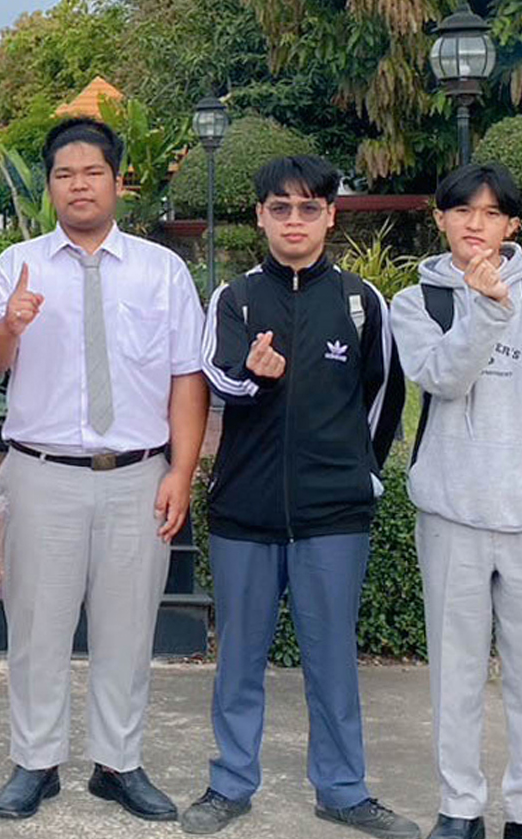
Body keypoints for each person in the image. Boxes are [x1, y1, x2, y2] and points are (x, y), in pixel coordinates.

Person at [0, 118, 207, 825]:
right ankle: (35, 761)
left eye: (91, 171)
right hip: (44, 473)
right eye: (64, 174)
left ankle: (118, 762)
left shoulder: (162, 271)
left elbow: (186, 377)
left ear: (117, 180)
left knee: (128, 626)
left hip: (139, 473)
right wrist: (10, 324)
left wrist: (181, 472)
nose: (78, 184)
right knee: (37, 625)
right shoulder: (18, 264)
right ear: (50, 185)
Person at [191, 155, 416, 839]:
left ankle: (344, 788)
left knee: (332, 660)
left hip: (333, 515)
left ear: (330, 215)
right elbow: (215, 381)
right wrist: (253, 376)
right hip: (244, 513)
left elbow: (385, 398)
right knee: (239, 658)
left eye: (308, 207)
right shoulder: (235, 297)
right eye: (280, 207)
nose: (294, 220)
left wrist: (361, 475)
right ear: (259, 215)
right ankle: (230, 780)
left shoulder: (360, 300)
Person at [390, 164, 522, 839]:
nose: (474, 224)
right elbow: (441, 379)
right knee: (454, 674)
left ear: (512, 223)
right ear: (442, 217)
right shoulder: (416, 301)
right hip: (452, 515)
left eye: (490, 212)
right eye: (462, 210)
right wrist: (483, 309)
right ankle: (459, 805)